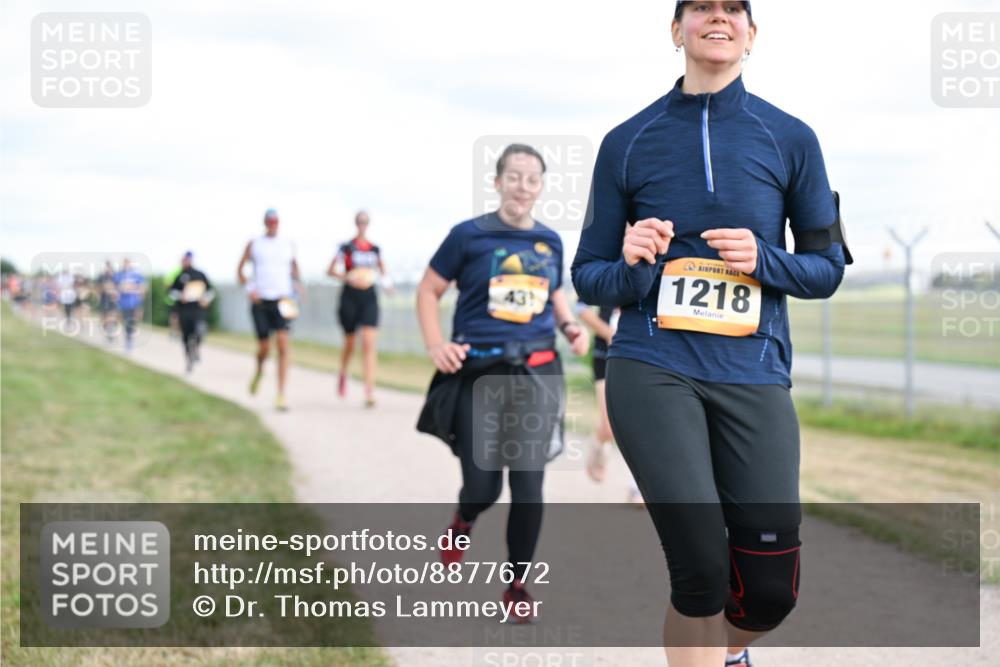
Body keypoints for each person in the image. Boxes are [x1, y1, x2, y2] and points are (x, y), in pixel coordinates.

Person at [571, 2, 851, 666]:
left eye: (734, 9)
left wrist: (766, 259)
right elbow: (588, 275)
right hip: (652, 365)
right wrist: (633, 263)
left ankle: (727, 652)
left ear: (752, 35)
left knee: (769, 591)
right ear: (676, 31)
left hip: (754, 372)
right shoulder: (627, 141)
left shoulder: (792, 139)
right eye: (700, 8)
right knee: (698, 569)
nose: (717, 18)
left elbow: (828, 267)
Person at [416, 144, 589, 624]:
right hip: (480, 375)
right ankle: (464, 518)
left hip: (536, 372)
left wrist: (570, 326)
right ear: (496, 182)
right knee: (484, 486)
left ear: (540, 188)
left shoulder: (550, 242)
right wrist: (436, 344)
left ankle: (516, 583)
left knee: (529, 486)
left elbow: (553, 290)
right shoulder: (467, 236)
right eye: (514, 177)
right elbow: (429, 290)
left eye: (532, 179)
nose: (522, 186)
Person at [575, 300, 642, 505]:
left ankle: (637, 488)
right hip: (606, 355)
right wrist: (607, 332)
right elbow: (581, 309)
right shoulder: (606, 267)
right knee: (611, 426)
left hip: (640, 357)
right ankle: (598, 446)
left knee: (642, 429)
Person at [327, 210, 393, 407]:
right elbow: (330, 270)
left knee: (368, 342)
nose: (362, 225)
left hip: (369, 296)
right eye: (360, 222)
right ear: (356, 224)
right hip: (350, 296)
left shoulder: (374, 249)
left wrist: (388, 285)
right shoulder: (346, 247)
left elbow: (382, 270)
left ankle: (369, 389)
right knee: (350, 342)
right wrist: (346, 276)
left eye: (365, 221)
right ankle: (343, 372)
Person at [237, 208, 301, 411]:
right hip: (261, 301)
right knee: (264, 347)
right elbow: (240, 270)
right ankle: (259, 369)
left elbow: (294, 269)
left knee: (283, 344)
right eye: (269, 222)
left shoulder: (287, 244)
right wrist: (250, 289)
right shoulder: (255, 243)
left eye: (275, 222)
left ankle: (281, 393)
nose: (273, 225)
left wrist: (297, 285)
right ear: (265, 223)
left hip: (283, 300)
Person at [168, 251, 215, 373]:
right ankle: (189, 360)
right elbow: (172, 292)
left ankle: (196, 348)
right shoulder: (179, 277)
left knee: (200, 330)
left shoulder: (200, 275)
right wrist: (180, 297)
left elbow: (210, 291)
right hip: (184, 310)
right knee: (185, 337)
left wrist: (206, 299)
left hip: (198, 310)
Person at [114, 259, 147, 351]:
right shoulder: (119, 275)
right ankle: (127, 338)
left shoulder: (137, 275)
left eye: (127, 263)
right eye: (125, 263)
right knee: (126, 321)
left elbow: (142, 288)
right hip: (123, 303)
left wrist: (141, 302)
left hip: (134, 303)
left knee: (132, 321)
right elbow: (116, 288)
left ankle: (129, 338)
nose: (126, 265)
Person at [97, 261, 119, 343]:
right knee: (104, 318)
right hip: (104, 301)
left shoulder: (115, 276)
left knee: (113, 317)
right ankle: (107, 332)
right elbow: (97, 289)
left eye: (109, 267)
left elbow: (119, 287)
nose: (108, 269)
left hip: (113, 300)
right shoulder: (101, 277)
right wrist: (104, 288)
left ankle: (112, 332)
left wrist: (114, 291)